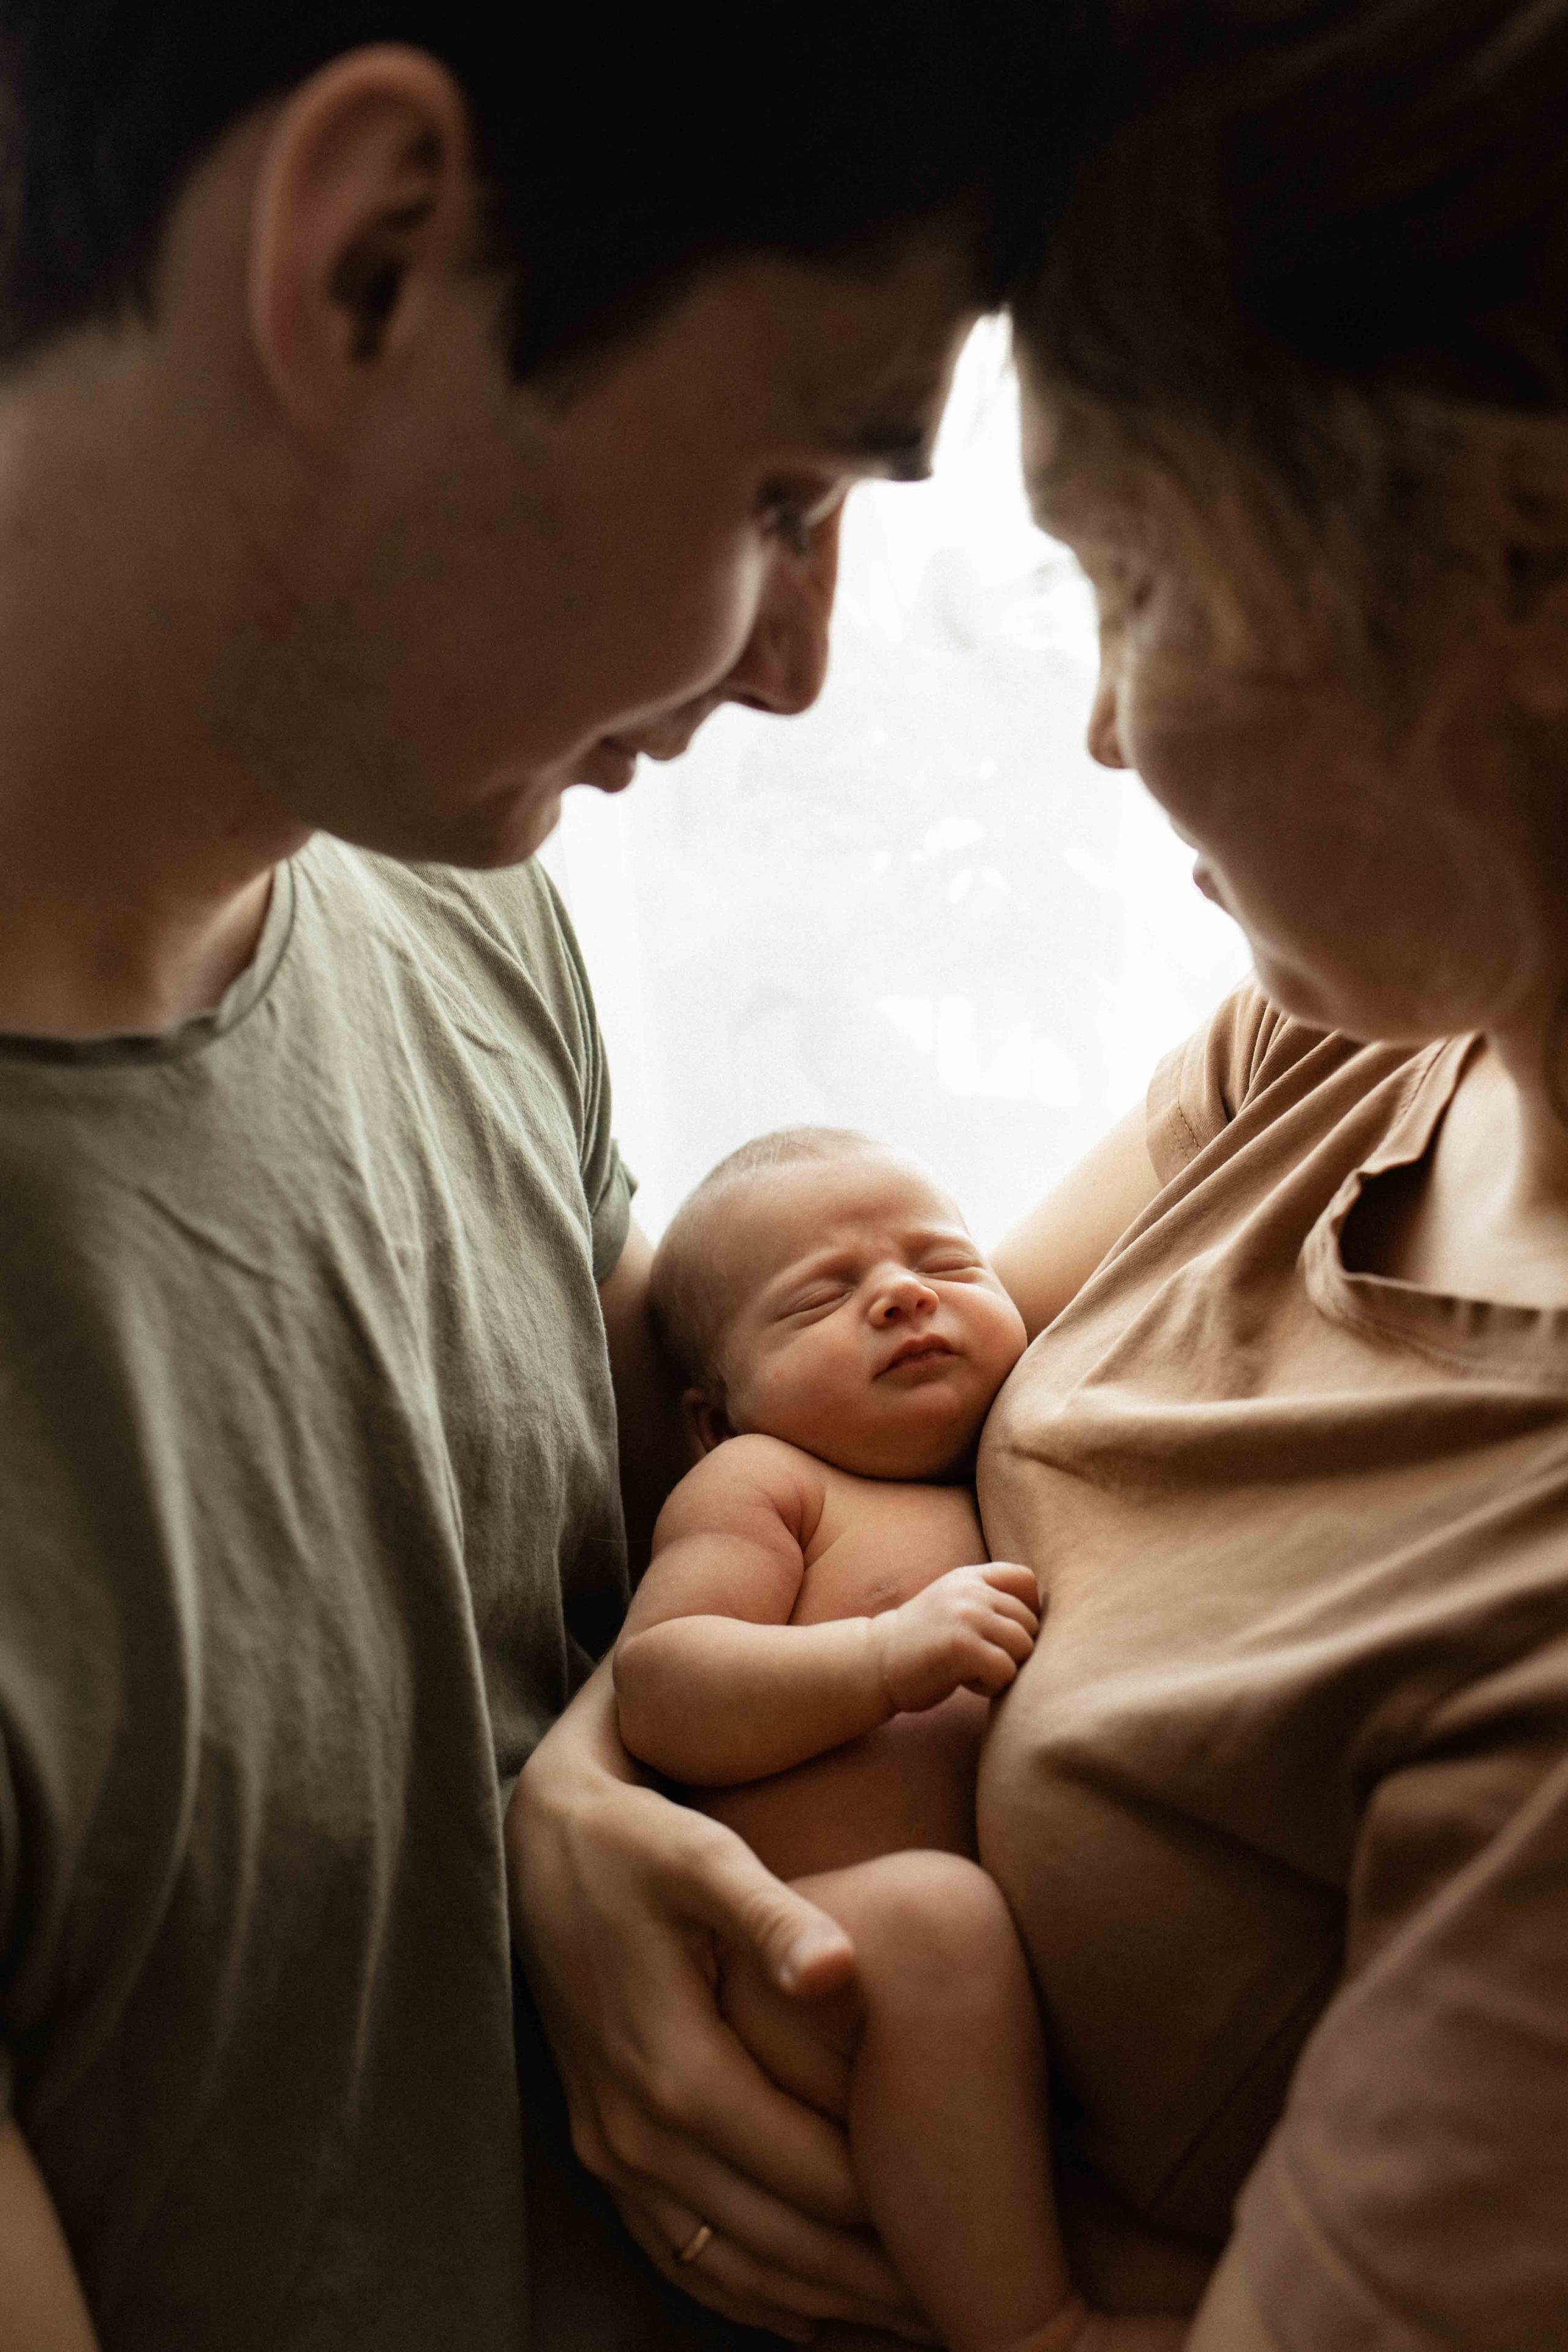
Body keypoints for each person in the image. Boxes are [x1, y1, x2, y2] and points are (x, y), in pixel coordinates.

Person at [516, 5, 1568, 2350]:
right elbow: (854, 1410)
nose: (1097, 729)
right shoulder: (1346, 1043)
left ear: (1514, 598)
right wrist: (585, 1813)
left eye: (1141, 587)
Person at [0, 8, 1051, 2346]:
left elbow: (593, 1615)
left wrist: (570, 1798)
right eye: (786, 495)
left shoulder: (471, 918)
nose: (801, 670)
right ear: (371, 256)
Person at [612, 1124, 1191, 2352]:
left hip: (979, 2032)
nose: (901, 1294)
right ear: (714, 1417)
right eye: (820, 1298)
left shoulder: (1014, 1456)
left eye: (947, 1262)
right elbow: (661, 1685)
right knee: (937, 1914)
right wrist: (878, 1660)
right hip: (815, 1964)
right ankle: (1032, 2330)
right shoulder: (764, 1483)